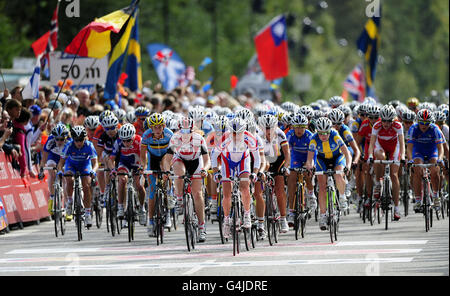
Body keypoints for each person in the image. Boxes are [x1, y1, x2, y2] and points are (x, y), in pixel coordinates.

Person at [211, 117, 260, 239]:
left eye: (238, 133)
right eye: (233, 133)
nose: (235, 135)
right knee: (227, 193)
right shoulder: (225, 138)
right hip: (227, 162)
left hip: (243, 161)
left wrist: (254, 173)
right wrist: (216, 172)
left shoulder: (250, 138)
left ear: (244, 131)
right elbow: (214, 156)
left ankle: (247, 214)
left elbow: (257, 157)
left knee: (244, 187)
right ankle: (226, 220)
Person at [163, 117, 210, 242]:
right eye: (182, 131)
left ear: (192, 130)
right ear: (179, 130)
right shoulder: (175, 138)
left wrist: (204, 169)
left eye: (187, 131)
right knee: (180, 172)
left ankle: (201, 226)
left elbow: (207, 160)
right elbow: (167, 159)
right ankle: (179, 199)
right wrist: (167, 171)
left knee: (197, 194)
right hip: (180, 160)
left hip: (196, 162)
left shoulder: (199, 139)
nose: (184, 135)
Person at [305, 117, 351, 231]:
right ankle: (323, 215)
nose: (324, 136)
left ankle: (342, 197)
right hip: (322, 160)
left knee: (339, 174)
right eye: (321, 133)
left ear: (330, 131)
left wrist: (348, 166)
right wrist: (310, 167)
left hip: (337, 158)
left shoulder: (335, 135)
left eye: (326, 133)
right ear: (317, 132)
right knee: (321, 186)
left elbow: (347, 153)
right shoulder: (314, 139)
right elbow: (309, 159)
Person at [367, 105, 405, 220]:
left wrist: (402, 156)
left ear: (393, 120)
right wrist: (369, 155)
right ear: (381, 119)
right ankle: (378, 183)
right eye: (384, 120)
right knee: (380, 157)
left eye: (389, 121)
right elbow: (372, 144)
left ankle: (397, 208)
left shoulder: (398, 125)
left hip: (394, 147)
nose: (386, 123)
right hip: (381, 146)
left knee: (394, 175)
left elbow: (402, 143)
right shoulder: (377, 125)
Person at [57, 126, 98, 228]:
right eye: (76, 140)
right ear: (73, 139)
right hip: (72, 165)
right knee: (69, 179)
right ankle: (69, 202)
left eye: (81, 140)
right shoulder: (69, 145)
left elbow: (95, 163)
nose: (79, 143)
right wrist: (60, 172)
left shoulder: (89, 145)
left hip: (85, 165)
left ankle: (88, 213)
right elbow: (60, 163)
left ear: (85, 138)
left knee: (86, 185)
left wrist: (93, 171)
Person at [140, 113, 173, 236]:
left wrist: (168, 170)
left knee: (166, 172)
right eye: (155, 127)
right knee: (152, 191)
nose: (157, 130)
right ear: (151, 128)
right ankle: (151, 220)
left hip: (166, 157)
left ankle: (168, 213)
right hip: (152, 158)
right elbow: (143, 155)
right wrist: (143, 168)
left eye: (160, 127)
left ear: (164, 126)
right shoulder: (146, 135)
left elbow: (173, 153)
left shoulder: (170, 134)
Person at [257, 114, 291, 233]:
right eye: (266, 128)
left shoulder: (280, 133)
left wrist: (286, 167)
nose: (268, 131)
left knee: (280, 190)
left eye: (270, 128)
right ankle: (260, 219)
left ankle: (283, 219)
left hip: (278, 162)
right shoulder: (258, 135)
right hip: (264, 161)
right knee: (259, 191)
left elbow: (287, 154)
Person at [108, 123, 146, 225]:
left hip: (137, 164)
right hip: (124, 163)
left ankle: (142, 208)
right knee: (122, 180)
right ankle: (120, 207)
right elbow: (111, 159)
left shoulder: (139, 141)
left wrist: (143, 168)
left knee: (139, 185)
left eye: (128, 140)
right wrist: (112, 170)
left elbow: (144, 158)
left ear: (133, 136)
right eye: (123, 140)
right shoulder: (118, 142)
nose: (125, 143)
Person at [407, 109, 445, 212]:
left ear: (431, 122)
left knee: (434, 170)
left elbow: (441, 148)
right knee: (417, 169)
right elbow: (409, 148)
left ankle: (436, 196)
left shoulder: (435, 129)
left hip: (432, 151)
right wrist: (410, 160)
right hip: (418, 151)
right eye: (421, 123)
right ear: (417, 121)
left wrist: (440, 159)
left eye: (427, 123)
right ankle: (418, 200)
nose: (424, 125)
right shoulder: (413, 129)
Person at [286, 113, 316, 226]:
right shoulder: (289, 134)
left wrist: (310, 164)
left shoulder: (309, 136)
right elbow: (287, 151)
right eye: (297, 127)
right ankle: (292, 211)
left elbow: (313, 153)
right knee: (292, 180)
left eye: (302, 127)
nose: (299, 130)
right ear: (293, 127)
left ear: (306, 127)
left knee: (307, 174)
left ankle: (311, 194)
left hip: (308, 156)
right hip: (295, 157)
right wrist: (287, 165)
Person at [39, 124, 70, 217]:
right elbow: (44, 156)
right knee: (52, 172)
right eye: (57, 139)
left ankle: (68, 205)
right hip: (53, 156)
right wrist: (41, 169)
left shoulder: (70, 142)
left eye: (62, 139)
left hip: (65, 158)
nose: (59, 141)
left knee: (66, 179)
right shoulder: (50, 140)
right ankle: (52, 198)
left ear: (66, 137)